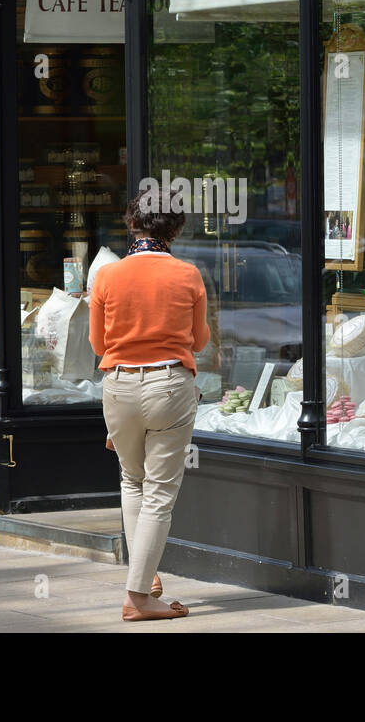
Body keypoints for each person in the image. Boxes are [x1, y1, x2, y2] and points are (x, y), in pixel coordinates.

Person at [90, 193, 210, 622]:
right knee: (159, 492)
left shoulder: (106, 276)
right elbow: (198, 341)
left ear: (132, 225)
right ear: (174, 230)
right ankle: (138, 597)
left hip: (119, 386)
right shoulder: (187, 274)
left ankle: (146, 575)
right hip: (168, 385)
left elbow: (98, 345)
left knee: (131, 479)